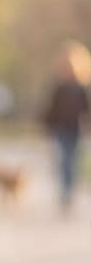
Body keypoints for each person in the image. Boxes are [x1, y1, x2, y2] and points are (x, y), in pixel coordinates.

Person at [42, 41, 90, 216]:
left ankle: (70, 190)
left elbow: (86, 109)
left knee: (73, 161)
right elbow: (50, 109)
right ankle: (65, 193)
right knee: (63, 161)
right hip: (60, 129)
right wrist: (47, 128)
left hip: (76, 129)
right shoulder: (59, 86)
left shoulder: (81, 87)